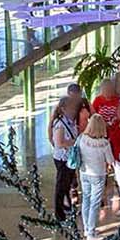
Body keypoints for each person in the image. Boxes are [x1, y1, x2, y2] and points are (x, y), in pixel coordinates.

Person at [76, 115, 114, 234]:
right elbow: (110, 160)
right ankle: (91, 232)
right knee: (95, 203)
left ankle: (87, 228)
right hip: (98, 175)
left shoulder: (81, 138)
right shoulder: (104, 143)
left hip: (84, 172)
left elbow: (76, 151)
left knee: (86, 200)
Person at [50, 96, 81, 224]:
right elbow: (59, 142)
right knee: (61, 186)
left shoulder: (70, 121)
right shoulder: (60, 124)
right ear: (63, 109)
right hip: (62, 159)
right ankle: (59, 213)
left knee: (67, 184)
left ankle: (67, 206)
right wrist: (75, 142)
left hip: (69, 158)